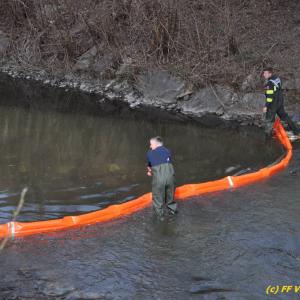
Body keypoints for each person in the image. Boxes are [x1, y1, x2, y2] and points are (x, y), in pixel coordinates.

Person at [262, 67, 300, 137]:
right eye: (263, 73)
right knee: (285, 116)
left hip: (273, 104)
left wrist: (266, 106)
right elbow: (277, 88)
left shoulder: (270, 83)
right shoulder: (277, 78)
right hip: (280, 101)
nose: (263, 74)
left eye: (265, 73)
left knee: (269, 120)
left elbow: (270, 96)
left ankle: (268, 137)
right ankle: (297, 131)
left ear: (270, 73)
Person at [146, 136, 177, 220]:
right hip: (171, 177)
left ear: (155, 145)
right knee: (170, 196)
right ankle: (172, 213)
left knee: (157, 198)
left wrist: (149, 171)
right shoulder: (168, 151)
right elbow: (166, 160)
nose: (150, 146)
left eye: (151, 144)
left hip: (159, 178)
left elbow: (150, 166)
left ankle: (160, 218)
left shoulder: (149, 153)